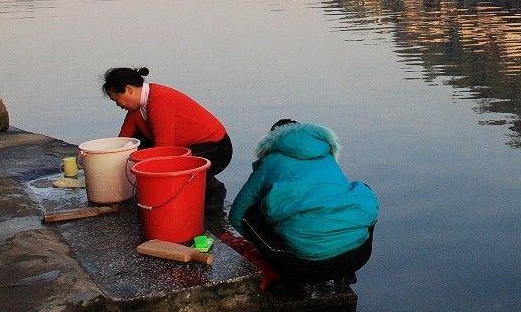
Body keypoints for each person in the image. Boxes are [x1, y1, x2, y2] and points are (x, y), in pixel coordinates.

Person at [229, 120, 378, 286]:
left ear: (272, 142)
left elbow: (236, 216)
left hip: (304, 266)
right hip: (359, 255)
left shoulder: (269, 162)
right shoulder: (327, 157)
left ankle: (291, 278)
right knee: (361, 197)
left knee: (250, 213)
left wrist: (266, 241)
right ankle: (345, 274)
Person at [102, 67, 232, 211]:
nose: (118, 104)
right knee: (136, 144)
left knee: (175, 161)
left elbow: (164, 149)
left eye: (116, 99)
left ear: (129, 90)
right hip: (187, 147)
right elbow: (123, 142)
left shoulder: (160, 99)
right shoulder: (136, 109)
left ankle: (214, 191)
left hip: (216, 147)